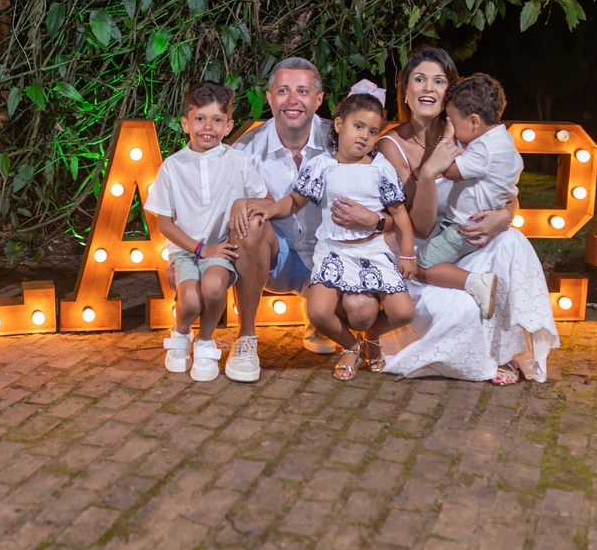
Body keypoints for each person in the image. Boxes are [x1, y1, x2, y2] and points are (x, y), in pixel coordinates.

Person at [374, 48, 559, 385]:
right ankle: (483, 356)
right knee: (463, 310)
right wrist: (427, 173)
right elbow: (421, 227)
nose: (428, 88)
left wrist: (505, 216)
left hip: (466, 239)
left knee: (513, 242)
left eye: (438, 81)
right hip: (421, 254)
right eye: (419, 79)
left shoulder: (470, 134)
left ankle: (505, 352)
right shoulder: (391, 144)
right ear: (405, 90)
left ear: (450, 91)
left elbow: (504, 190)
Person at [245, 91, 416, 379]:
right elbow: (295, 201)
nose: (364, 136)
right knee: (319, 313)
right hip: (333, 251)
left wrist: (408, 254)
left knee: (403, 312)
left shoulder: (381, 167)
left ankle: (371, 337)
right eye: (358, 126)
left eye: (373, 131)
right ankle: (351, 346)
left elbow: (400, 214)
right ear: (338, 125)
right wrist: (271, 209)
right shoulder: (321, 166)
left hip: (371, 250)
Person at [231, 58, 383, 371]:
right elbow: (219, 211)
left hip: (331, 258)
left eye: (302, 91)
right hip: (276, 259)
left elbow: (379, 197)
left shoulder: (343, 140)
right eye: (283, 91)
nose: (293, 100)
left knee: (363, 312)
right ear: (269, 98)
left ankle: (318, 313)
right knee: (250, 220)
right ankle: (245, 338)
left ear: (319, 99)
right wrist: (182, 255)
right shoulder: (245, 150)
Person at [144, 81, 267, 382]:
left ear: (229, 126)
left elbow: (265, 200)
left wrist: (241, 204)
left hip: (220, 249)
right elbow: (164, 224)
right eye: (200, 118)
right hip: (187, 251)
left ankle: (205, 340)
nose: (208, 127)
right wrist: (200, 249)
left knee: (213, 289)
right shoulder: (172, 167)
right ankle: (181, 332)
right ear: (185, 123)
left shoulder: (238, 162)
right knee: (189, 301)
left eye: (217, 119)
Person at [413, 73, 521, 318]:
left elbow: (449, 171)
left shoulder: (484, 148)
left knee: (421, 266)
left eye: (452, 122)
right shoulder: (504, 140)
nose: (449, 126)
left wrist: (447, 139)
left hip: (463, 228)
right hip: (476, 225)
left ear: (474, 121)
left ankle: (475, 282)